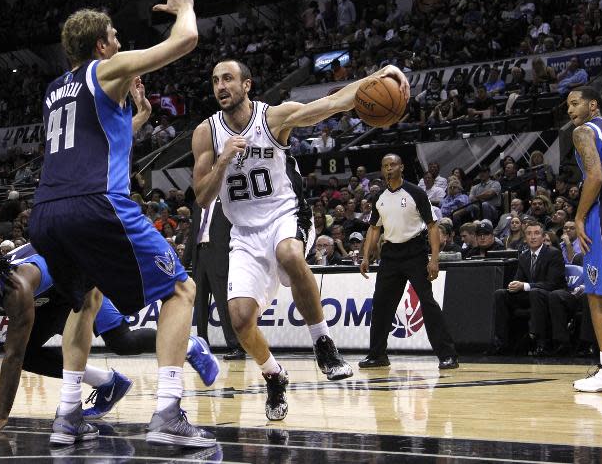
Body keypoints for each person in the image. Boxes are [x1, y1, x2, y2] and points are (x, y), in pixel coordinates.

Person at [28, 0, 215, 447]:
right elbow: (186, 40)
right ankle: (169, 412)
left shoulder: (55, 91)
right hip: (96, 206)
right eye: (114, 36)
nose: (119, 41)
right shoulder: (105, 69)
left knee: (84, 300)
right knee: (180, 290)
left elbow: (93, 150)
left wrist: (138, 118)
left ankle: (68, 416)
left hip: (47, 211)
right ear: (101, 47)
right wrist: (184, 7)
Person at [190, 59, 405, 419]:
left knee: (289, 253)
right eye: (215, 81)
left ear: (247, 85)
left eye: (228, 78)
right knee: (240, 320)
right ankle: (274, 375)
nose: (220, 86)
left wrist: (378, 76)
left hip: (285, 216)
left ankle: (323, 343)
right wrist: (223, 161)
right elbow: (202, 197)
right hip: (243, 233)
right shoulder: (206, 133)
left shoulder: (274, 118)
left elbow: (333, 103)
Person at [0, 245, 219, 433]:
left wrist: (0, 416)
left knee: (122, 342)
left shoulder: (15, 286)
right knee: (30, 353)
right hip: (51, 296)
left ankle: (190, 345)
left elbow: (13, 357)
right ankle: (107, 382)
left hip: (78, 280)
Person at [359, 154, 458, 370]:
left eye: (393, 164)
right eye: (385, 166)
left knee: (427, 302)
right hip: (391, 254)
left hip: (415, 250)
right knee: (382, 305)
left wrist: (434, 259)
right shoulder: (379, 198)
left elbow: (432, 226)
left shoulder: (416, 192)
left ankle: (447, 355)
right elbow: (374, 228)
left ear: (402, 167)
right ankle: (377, 355)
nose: (389, 168)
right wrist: (366, 256)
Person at [567, 87, 602, 391]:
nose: (570, 111)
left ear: (593, 105)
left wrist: (580, 216)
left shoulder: (584, 132)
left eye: (575, 103)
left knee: (597, 291)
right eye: (567, 106)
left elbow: (595, 177)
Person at [490, 220, 566, 355]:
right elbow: (518, 279)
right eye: (529, 234)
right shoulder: (524, 256)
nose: (533, 237)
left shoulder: (553, 254)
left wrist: (525, 286)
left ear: (543, 237)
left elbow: (552, 283)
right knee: (500, 294)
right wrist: (513, 285)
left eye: (537, 233)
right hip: (531, 294)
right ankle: (501, 343)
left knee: (535, 293)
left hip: (551, 294)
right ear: (525, 238)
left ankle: (539, 342)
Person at [185, 199, 243, 360]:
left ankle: (235, 345)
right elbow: (193, 233)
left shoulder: (226, 200)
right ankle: (202, 346)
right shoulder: (198, 203)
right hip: (200, 255)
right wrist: (183, 263)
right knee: (200, 305)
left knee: (223, 303)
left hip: (220, 257)